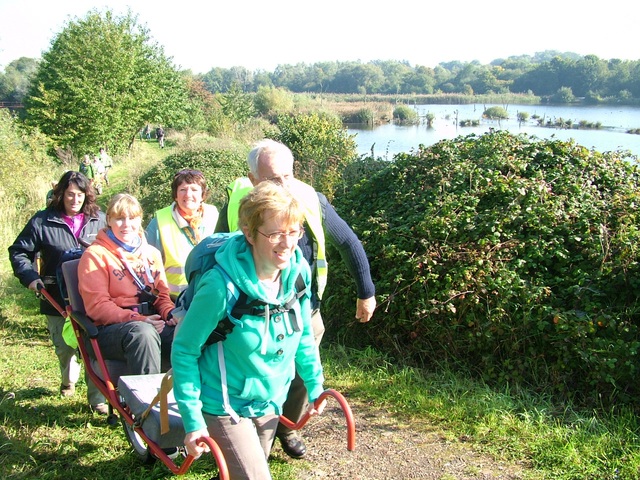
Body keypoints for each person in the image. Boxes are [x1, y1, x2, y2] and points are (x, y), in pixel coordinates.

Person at [215, 138, 376, 458]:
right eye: (273, 179)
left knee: (301, 375)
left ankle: (287, 428)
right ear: (252, 180)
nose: (284, 185)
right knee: (254, 379)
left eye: (287, 176)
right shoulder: (237, 202)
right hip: (249, 313)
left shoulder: (310, 199)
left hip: (303, 311)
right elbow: (213, 250)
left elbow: (347, 242)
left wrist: (366, 292)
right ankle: (249, 448)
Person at [172, 181, 325, 479]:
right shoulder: (221, 286)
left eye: (294, 231)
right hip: (224, 403)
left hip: (270, 400)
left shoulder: (298, 273)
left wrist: (315, 383)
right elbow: (184, 350)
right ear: (250, 233)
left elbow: (303, 333)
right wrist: (192, 420)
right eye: (275, 233)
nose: (287, 243)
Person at [8, 171, 108, 413]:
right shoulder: (42, 221)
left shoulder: (100, 220)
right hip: (55, 296)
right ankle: (68, 379)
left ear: (88, 195)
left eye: (80, 195)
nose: (75, 200)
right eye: (70, 194)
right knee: (64, 346)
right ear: (60, 194)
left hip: (93, 297)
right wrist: (31, 278)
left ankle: (97, 400)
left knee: (94, 346)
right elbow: (19, 252)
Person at [78, 193, 176, 376]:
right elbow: (97, 307)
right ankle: (146, 403)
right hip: (109, 329)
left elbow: (162, 296)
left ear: (140, 219)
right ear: (108, 220)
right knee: (143, 334)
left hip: (150, 320)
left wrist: (170, 313)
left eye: (132, 218)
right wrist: (140, 320)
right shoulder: (95, 255)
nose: (127, 225)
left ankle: (192, 398)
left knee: (188, 331)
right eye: (120, 219)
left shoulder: (151, 253)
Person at [146, 169, 219, 300]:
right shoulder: (159, 222)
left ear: (203, 195)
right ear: (175, 195)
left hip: (209, 298)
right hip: (174, 303)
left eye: (194, 190)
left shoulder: (214, 215)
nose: (188, 194)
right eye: (183, 190)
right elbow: (147, 269)